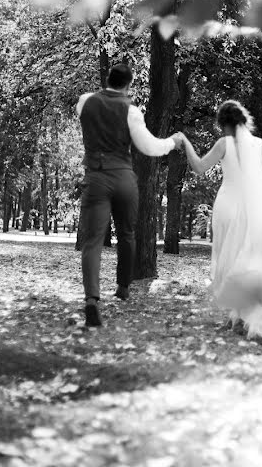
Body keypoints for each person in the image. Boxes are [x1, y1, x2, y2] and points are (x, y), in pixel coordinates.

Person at [75, 58, 183, 327]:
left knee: (92, 241)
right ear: (129, 85)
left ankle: (91, 299)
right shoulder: (131, 112)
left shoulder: (84, 101)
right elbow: (149, 147)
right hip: (123, 177)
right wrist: (173, 142)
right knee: (127, 233)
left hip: (96, 177)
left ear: (108, 79)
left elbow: (90, 115)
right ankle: (123, 286)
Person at [180, 100, 262, 338]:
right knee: (249, 257)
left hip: (227, 206)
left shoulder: (224, 143)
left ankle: (237, 314)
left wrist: (186, 142)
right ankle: (242, 315)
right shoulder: (259, 145)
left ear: (224, 124)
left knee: (229, 256)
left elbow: (198, 167)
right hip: (254, 208)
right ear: (243, 119)